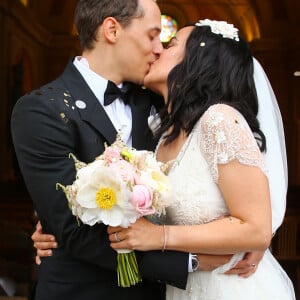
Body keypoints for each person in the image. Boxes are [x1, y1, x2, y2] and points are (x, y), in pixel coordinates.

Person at [11, 1, 191, 299]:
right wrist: (191, 264)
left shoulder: (161, 101)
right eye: (152, 35)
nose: (159, 48)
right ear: (112, 29)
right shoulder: (41, 109)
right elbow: (74, 230)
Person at [106, 20, 296, 299]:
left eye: (171, 45)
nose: (158, 51)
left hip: (231, 287)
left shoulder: (219, 120)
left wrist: (159, 237)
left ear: (199, 61)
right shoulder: (162, 135)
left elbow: (256, 229)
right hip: (185, 287)